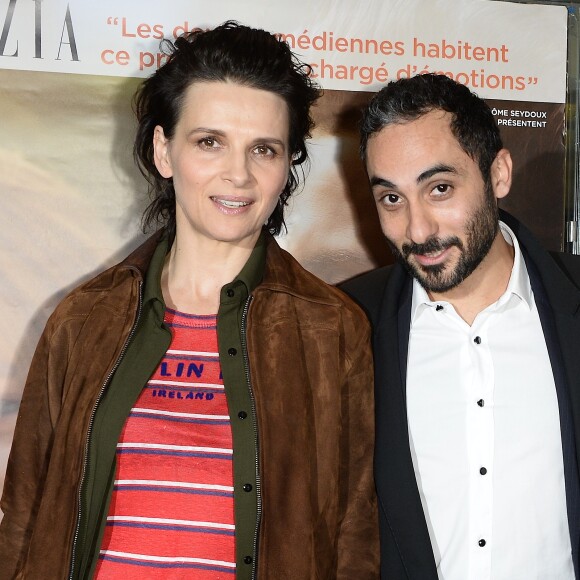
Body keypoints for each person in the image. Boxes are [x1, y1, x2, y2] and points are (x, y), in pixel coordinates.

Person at [0, 21, 378, 579]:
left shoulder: (332, 329)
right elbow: (24, 521)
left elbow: (353, 536)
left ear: (287, 165)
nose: (238, 174)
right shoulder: (82, 320)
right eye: (209, 142)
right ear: (163, 150)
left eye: (264, 150)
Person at [342, 73, 580, 579]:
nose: (418, 229)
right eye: (391, 198)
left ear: (498, 174)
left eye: (440, 188)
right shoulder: (344, 325)